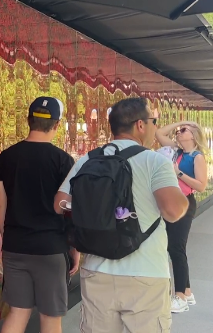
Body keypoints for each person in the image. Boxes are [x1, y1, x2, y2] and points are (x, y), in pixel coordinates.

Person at [54, 97, 189, 333]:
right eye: (153, 121)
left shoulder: (88, 159)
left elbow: (60, 204)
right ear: (140, 125)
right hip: (145, 273)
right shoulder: (155, 161)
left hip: (96, 271)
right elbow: (174, 211)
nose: (154, 126)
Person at [0, 97, 76, 333]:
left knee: (18, 313)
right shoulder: (63, 161)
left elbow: (0, 203)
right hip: (50, 248)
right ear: (56, 125)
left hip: (15, 246)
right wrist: (74, 247)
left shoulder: (6, 157)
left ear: (28, 120)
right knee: (51, 318)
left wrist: (9, 236)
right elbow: (68, 208)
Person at [156, 120, 208, 312]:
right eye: (178, 131)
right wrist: (181, 122)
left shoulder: (197, 157)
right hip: (173, 202)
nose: (178, 133)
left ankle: (179, 297)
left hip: (185, 203)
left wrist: (178, 173)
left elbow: (201, 185)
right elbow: (159, 133)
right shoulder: (176, 151)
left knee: (176, 248)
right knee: (174, 247)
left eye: (183, 130)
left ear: (193, 135)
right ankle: (186, 291)